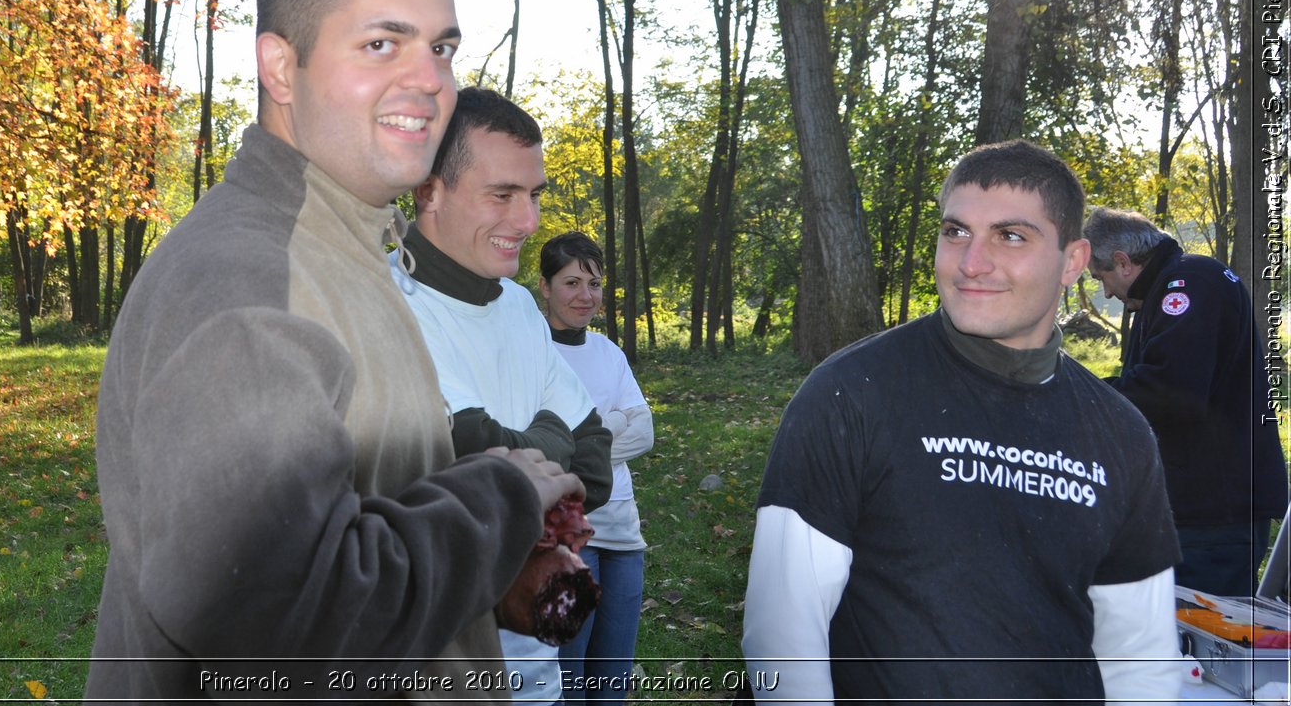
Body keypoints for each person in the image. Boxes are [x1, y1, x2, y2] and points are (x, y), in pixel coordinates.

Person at [86, 0, 583, 702]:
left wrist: (483, 579)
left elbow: (343, 536)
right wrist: (500, 496)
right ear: (282, 69)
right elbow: (278, 622)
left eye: (442, 47)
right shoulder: (250, 281)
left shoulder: (346, 249)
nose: (430, 79)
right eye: (381, 43)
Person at [742, 139, 1181, 704]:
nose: (972, 263)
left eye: (1011, 236)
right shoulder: (850, 395)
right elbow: (783, 636)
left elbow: (1140, 655)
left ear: (1073, 261)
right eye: (956, 232)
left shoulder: (1120, 432)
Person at [391, 87, 613, 705]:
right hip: (442, 678)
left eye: (534, 194)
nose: (530, 221)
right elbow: (469, 453)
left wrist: (520, 456)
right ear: (429, 190)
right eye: (502, 195)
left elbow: (595, 461)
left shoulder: (518, 306)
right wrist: (545, 438)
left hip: (540, 674)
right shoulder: (392, 308)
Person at [1085, 206, 1288, 597]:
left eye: (1102, 277)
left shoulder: (1189, 284)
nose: (1107, 291)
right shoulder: (1175, 283)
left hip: (1213, 513)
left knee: (1207, 645)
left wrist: (1083, 394)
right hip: (1202, 505)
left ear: (1123, 262)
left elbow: (1171, 392)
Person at [538, 232, 653, 706]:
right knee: (568, 676)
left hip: (623, 533)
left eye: (595, 283)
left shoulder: (609, 352)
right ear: (544, 286)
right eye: (571, 282)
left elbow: (645, 432)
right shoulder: (532, 352)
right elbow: (540, 451)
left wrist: (585, 437)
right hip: (563, 538)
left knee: (612, 679)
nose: (586, 296)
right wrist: (612, 425)